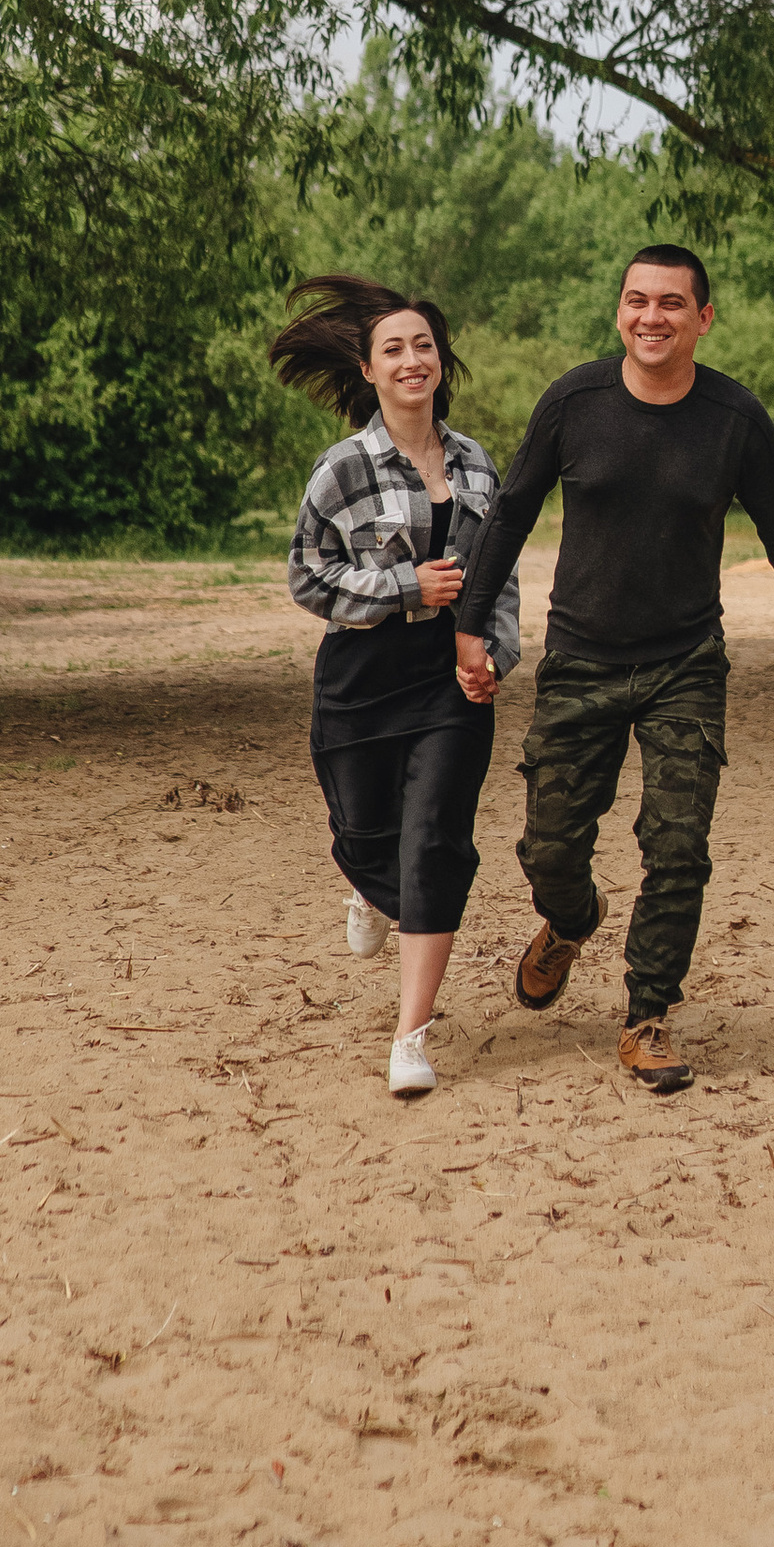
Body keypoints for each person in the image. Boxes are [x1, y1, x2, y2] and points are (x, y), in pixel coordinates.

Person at [452, 244, 774, 1095]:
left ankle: (646, 1017)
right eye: (638, 300)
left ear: (702, 318)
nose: (653, 316)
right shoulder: (574, 402)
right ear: (619, 312)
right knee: (550, 848)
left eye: (672, 303)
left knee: (678, 846)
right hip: (580, 659)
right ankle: (570, 921)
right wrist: (470, 628)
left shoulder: (734, 419)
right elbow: (508, 518)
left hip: (686, 663)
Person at [276, 276, 521, 1100]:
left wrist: (492, 652)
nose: (413, 360)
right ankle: (368, 884)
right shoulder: (342, 469)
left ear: (441, 361)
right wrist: (408, 587)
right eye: (395, 349)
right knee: (366, 830)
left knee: (436, 842)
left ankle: (411, 1033)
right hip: (362, 679)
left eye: (424, 346)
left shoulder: (479, 464)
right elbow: (308, 581)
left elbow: (500, 577)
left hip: (451, 687)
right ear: (369, 368)